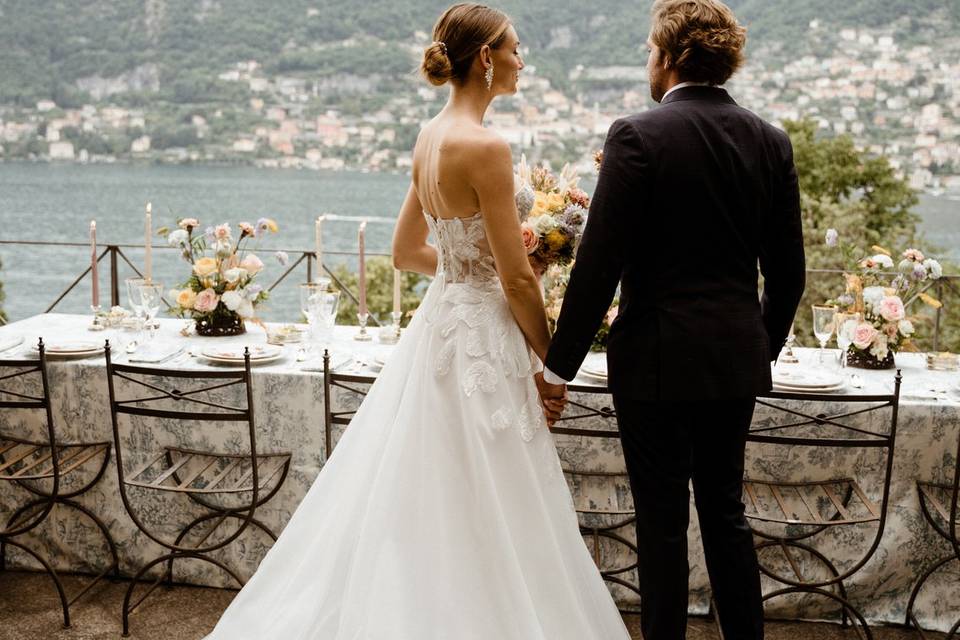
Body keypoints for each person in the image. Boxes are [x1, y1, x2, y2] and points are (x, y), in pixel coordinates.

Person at [204, 4, 631, 638]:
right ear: (486, 57)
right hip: (482, 335)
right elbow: (515, 280)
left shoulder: (430, 137)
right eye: (515, 49)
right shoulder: (486, 146)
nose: (522, 61)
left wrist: (468, 268)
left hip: (439, 325)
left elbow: (406, 253)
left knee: (428, 487)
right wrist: (550, 364)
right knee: (493, 496)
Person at [541, 1, 806, 638]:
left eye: (648, 50)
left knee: (661, 524)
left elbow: (597, 266)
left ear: (669, 56)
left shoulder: (637, 134)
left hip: (654, 364)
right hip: (732, 362)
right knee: (726, 512)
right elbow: (789, 276)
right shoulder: (771, 141)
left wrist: (558, 367)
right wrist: (754, 349)